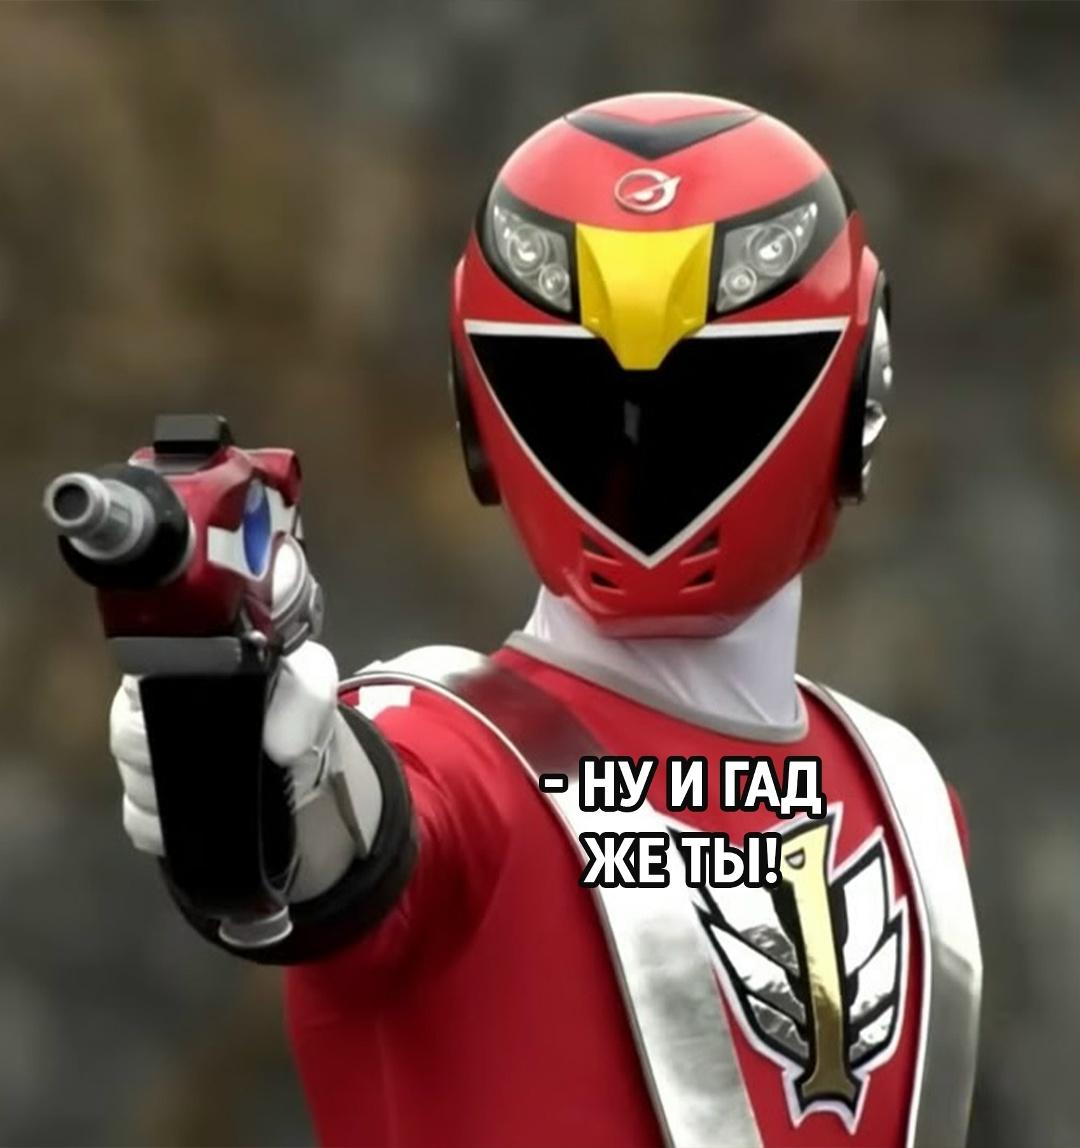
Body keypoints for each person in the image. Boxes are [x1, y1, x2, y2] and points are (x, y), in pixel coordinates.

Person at [108, 93, 981, 1148]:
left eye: (715, 399)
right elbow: (359, 837)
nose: (640, 460)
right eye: (581, 402)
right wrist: (245, 770)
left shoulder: (909, 797)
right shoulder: (457, 750)